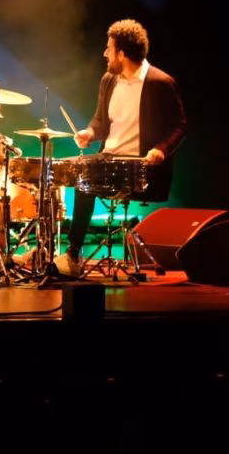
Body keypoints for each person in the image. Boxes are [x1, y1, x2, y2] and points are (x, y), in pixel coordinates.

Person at [58, 18, 187, 276]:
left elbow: (180, 125)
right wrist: (89, 132)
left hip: (139, 166)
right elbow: (100, 120)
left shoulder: (161, 83)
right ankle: (72, 252)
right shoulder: (109, 80)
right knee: (78, 172)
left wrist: (161, 149)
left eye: (109, 48)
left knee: (86, 180)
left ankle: (72, 251)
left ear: (122, 53)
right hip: (109, 159)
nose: (105, 54)